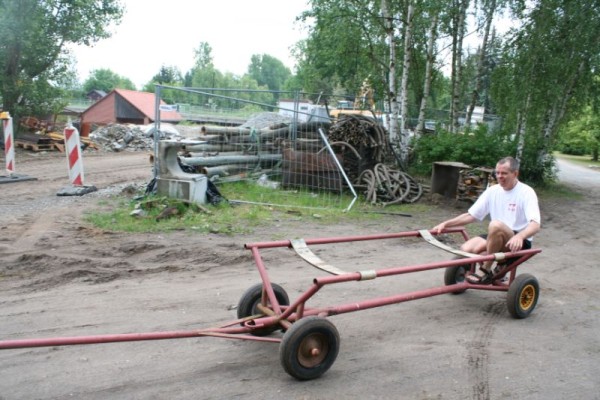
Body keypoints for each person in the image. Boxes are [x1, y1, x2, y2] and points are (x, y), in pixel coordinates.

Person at [432, 156, 541, 284]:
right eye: (498, 173)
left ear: (515, 173)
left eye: (504, 173)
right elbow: (471, 215)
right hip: (496, 235)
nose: (500, 176)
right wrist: (446, 224)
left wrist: (520, 236)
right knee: (466, 249)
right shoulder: (493, 191)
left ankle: (486, 269)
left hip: (519, 241)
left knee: (495, 225)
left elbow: (535, 224)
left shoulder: (526, 192)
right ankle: (493, 267)